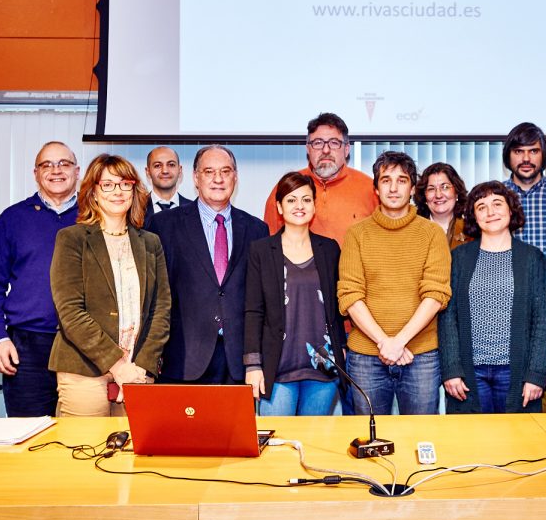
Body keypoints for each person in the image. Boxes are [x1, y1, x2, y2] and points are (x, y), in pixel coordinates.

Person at [49, 154, 170, 417]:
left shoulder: (151, 243)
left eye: (125, 184)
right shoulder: (72, 239)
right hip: (84, 369)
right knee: (82, 452)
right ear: (93, 192)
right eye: (108, 184)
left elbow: (161, 310)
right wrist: (118, 365)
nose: (118, 191)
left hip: (138, 371)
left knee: (134, 455)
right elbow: (70, 312)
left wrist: (142, 365)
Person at [338, 151, 452, 415]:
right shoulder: (356, 234)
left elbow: (436, 294)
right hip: (366, 356)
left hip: (420, 355)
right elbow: (350, 295)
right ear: (376, 188)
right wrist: (385, 343)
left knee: (421, 440)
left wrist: (399, 341)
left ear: (412, 187)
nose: (393, 187)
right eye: (385, 180)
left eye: (401, 180)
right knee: (369, 441)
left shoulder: (432, 233)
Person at [148, 145, 269, 384]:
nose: (218, 179)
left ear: (235, 177)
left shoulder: (257, 229)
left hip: (237, 360)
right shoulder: (164, 225)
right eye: (209, 171)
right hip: (184, 357)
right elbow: (155, 295)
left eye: (225, 171)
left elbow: (259, 300)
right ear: (195, 177)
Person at [0, 141, 80, 417]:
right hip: (27, 347)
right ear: (36, 173)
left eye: (64, 164)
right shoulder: (13, 219)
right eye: (47, 165)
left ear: (77, 171)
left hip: (84, 344)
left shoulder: (94, 217)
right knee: (29, 437)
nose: (56, 171)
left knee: (83, 437)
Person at [439, 181, 546, 413]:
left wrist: (536, 374)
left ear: (511, 210)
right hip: (470, 375)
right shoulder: (458, 258)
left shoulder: (532, 258)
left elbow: (543, 320)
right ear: (474, 216)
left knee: (519, 444)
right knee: (473, 444)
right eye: (481, 207)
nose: (490, 212)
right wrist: (451, 369)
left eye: (497, 204)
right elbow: (448, 317)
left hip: (518, 374)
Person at [244, 172, 348, 415]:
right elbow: (253, 311)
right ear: (279, 207)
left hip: (324, 367)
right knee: (278, 446)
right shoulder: (261, 250)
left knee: (313, 447)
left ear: (314, 205)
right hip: (277, 367)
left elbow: (337, 305)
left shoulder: (329, 248)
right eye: (291, 200)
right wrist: (252, 365)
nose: (299, 206)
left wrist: (341, 347)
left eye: (306, 199)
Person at [263, 113, 377, 246]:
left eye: (334, 143)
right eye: (318, 143)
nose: (326, 150)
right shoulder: (287, 188)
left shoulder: (370, 189)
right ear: (308, 149)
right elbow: (269, 248)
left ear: (346, 150)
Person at [502, 122, 546, 256]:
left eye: (533, 151)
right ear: (508, 155)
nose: (526, 159)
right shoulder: (496, 196)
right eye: (518, 151)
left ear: (544, 155)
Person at [415, 162, 471, 249]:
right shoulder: (414, 231)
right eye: (431, 189)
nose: (438, 195)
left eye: (445, 187)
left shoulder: (470, 230)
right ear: (424, 196)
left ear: (456, 192)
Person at [143, 146, 193, 219]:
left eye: (171, 165)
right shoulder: (135, 208)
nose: (165, 171)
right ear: (148, 171)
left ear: (180, 170)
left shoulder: (195, 209)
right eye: (157, 166)